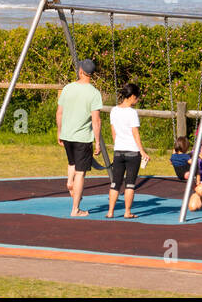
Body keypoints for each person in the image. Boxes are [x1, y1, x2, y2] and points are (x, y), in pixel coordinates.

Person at [55, 58, 104, 217]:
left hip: (67, 134)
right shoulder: (94, 93)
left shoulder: (68, 88)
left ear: (81, 71)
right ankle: (75, 209)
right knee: (81, 173)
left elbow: (59, 113)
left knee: (72, 163)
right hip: (83, 138)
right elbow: (96, 120)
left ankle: (70, 182)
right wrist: (98, 142)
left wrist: (59, 132)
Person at [107, 82, 149, 218]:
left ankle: (110, 211)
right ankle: (127, 212)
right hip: (132, 152)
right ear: (131, 97)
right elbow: (135, 134)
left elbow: (113, 131)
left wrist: (117, 144)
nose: (137, 100)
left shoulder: (114, 110)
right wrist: (142, 151)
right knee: (130, 183)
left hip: (118, 151)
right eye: (137, 98)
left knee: (115, 183)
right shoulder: (132, 113)